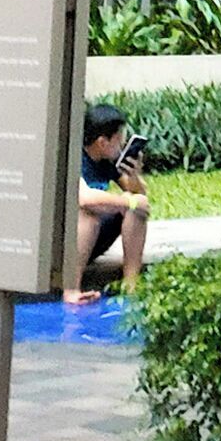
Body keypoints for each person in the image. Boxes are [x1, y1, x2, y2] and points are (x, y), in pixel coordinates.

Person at [71, 101, 150, 300]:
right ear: (102, 142)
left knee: (136, 208)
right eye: (118, 139)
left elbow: (140, 196)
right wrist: (127, 202)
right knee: (89, 214)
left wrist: (134, 176)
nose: (122, 144)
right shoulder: (74, 159)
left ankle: (131, 285)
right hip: (69, 244)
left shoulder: (109, 161)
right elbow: (84, 198)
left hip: (96, 240)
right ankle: (72, 289)